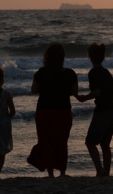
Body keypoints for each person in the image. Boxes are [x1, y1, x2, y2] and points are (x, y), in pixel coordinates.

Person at [27, 43, 78, 177]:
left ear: (47, 57)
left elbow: (34, 90)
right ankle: (62, 171)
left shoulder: (41, 72)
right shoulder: (70, 73)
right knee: (62, 141)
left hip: (44, 111)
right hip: (63, 111)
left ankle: (50, 173)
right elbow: (74, 92)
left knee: (46, 141)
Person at [76, 43, 113, 177]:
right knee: (105, 144)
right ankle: (106, 171)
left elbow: (97, 92)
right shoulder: (106, 72)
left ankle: (100, 171)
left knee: (90, 142)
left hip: (104, 110)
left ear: (90, 57)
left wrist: (84, 98)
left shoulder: (94, 72)